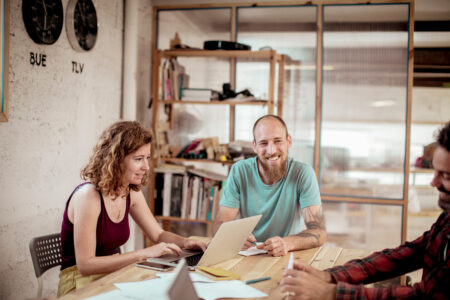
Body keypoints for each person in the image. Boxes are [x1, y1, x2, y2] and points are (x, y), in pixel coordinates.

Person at [280, 121, 450, 300]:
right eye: (435, 172)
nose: (433, 183)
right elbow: (407, 255)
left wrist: (330, 292)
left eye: (445, 176)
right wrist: (330, 276)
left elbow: (426, 296)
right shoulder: (446, 219)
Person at [57, 121, 207, 297]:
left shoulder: (130, 192)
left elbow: (157, 235)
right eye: (138, 159)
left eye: (147, 158)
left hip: (113, 275)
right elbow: (86, 265)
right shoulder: (88, 197)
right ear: (116, 160)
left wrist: (185, 242)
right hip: (78, 284)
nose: (146, 167)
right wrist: (143, 253)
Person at [214, 115, 326, 257]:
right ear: (254, 146)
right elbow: (220, 224)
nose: (271, 150)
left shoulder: (303, 173)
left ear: (288, 141)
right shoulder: (239, 171)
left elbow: (319, 232)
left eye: (277, 141)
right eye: (263, 143)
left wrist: (286, 243)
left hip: (288, 254)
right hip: (248, 255)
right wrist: (232, 237)